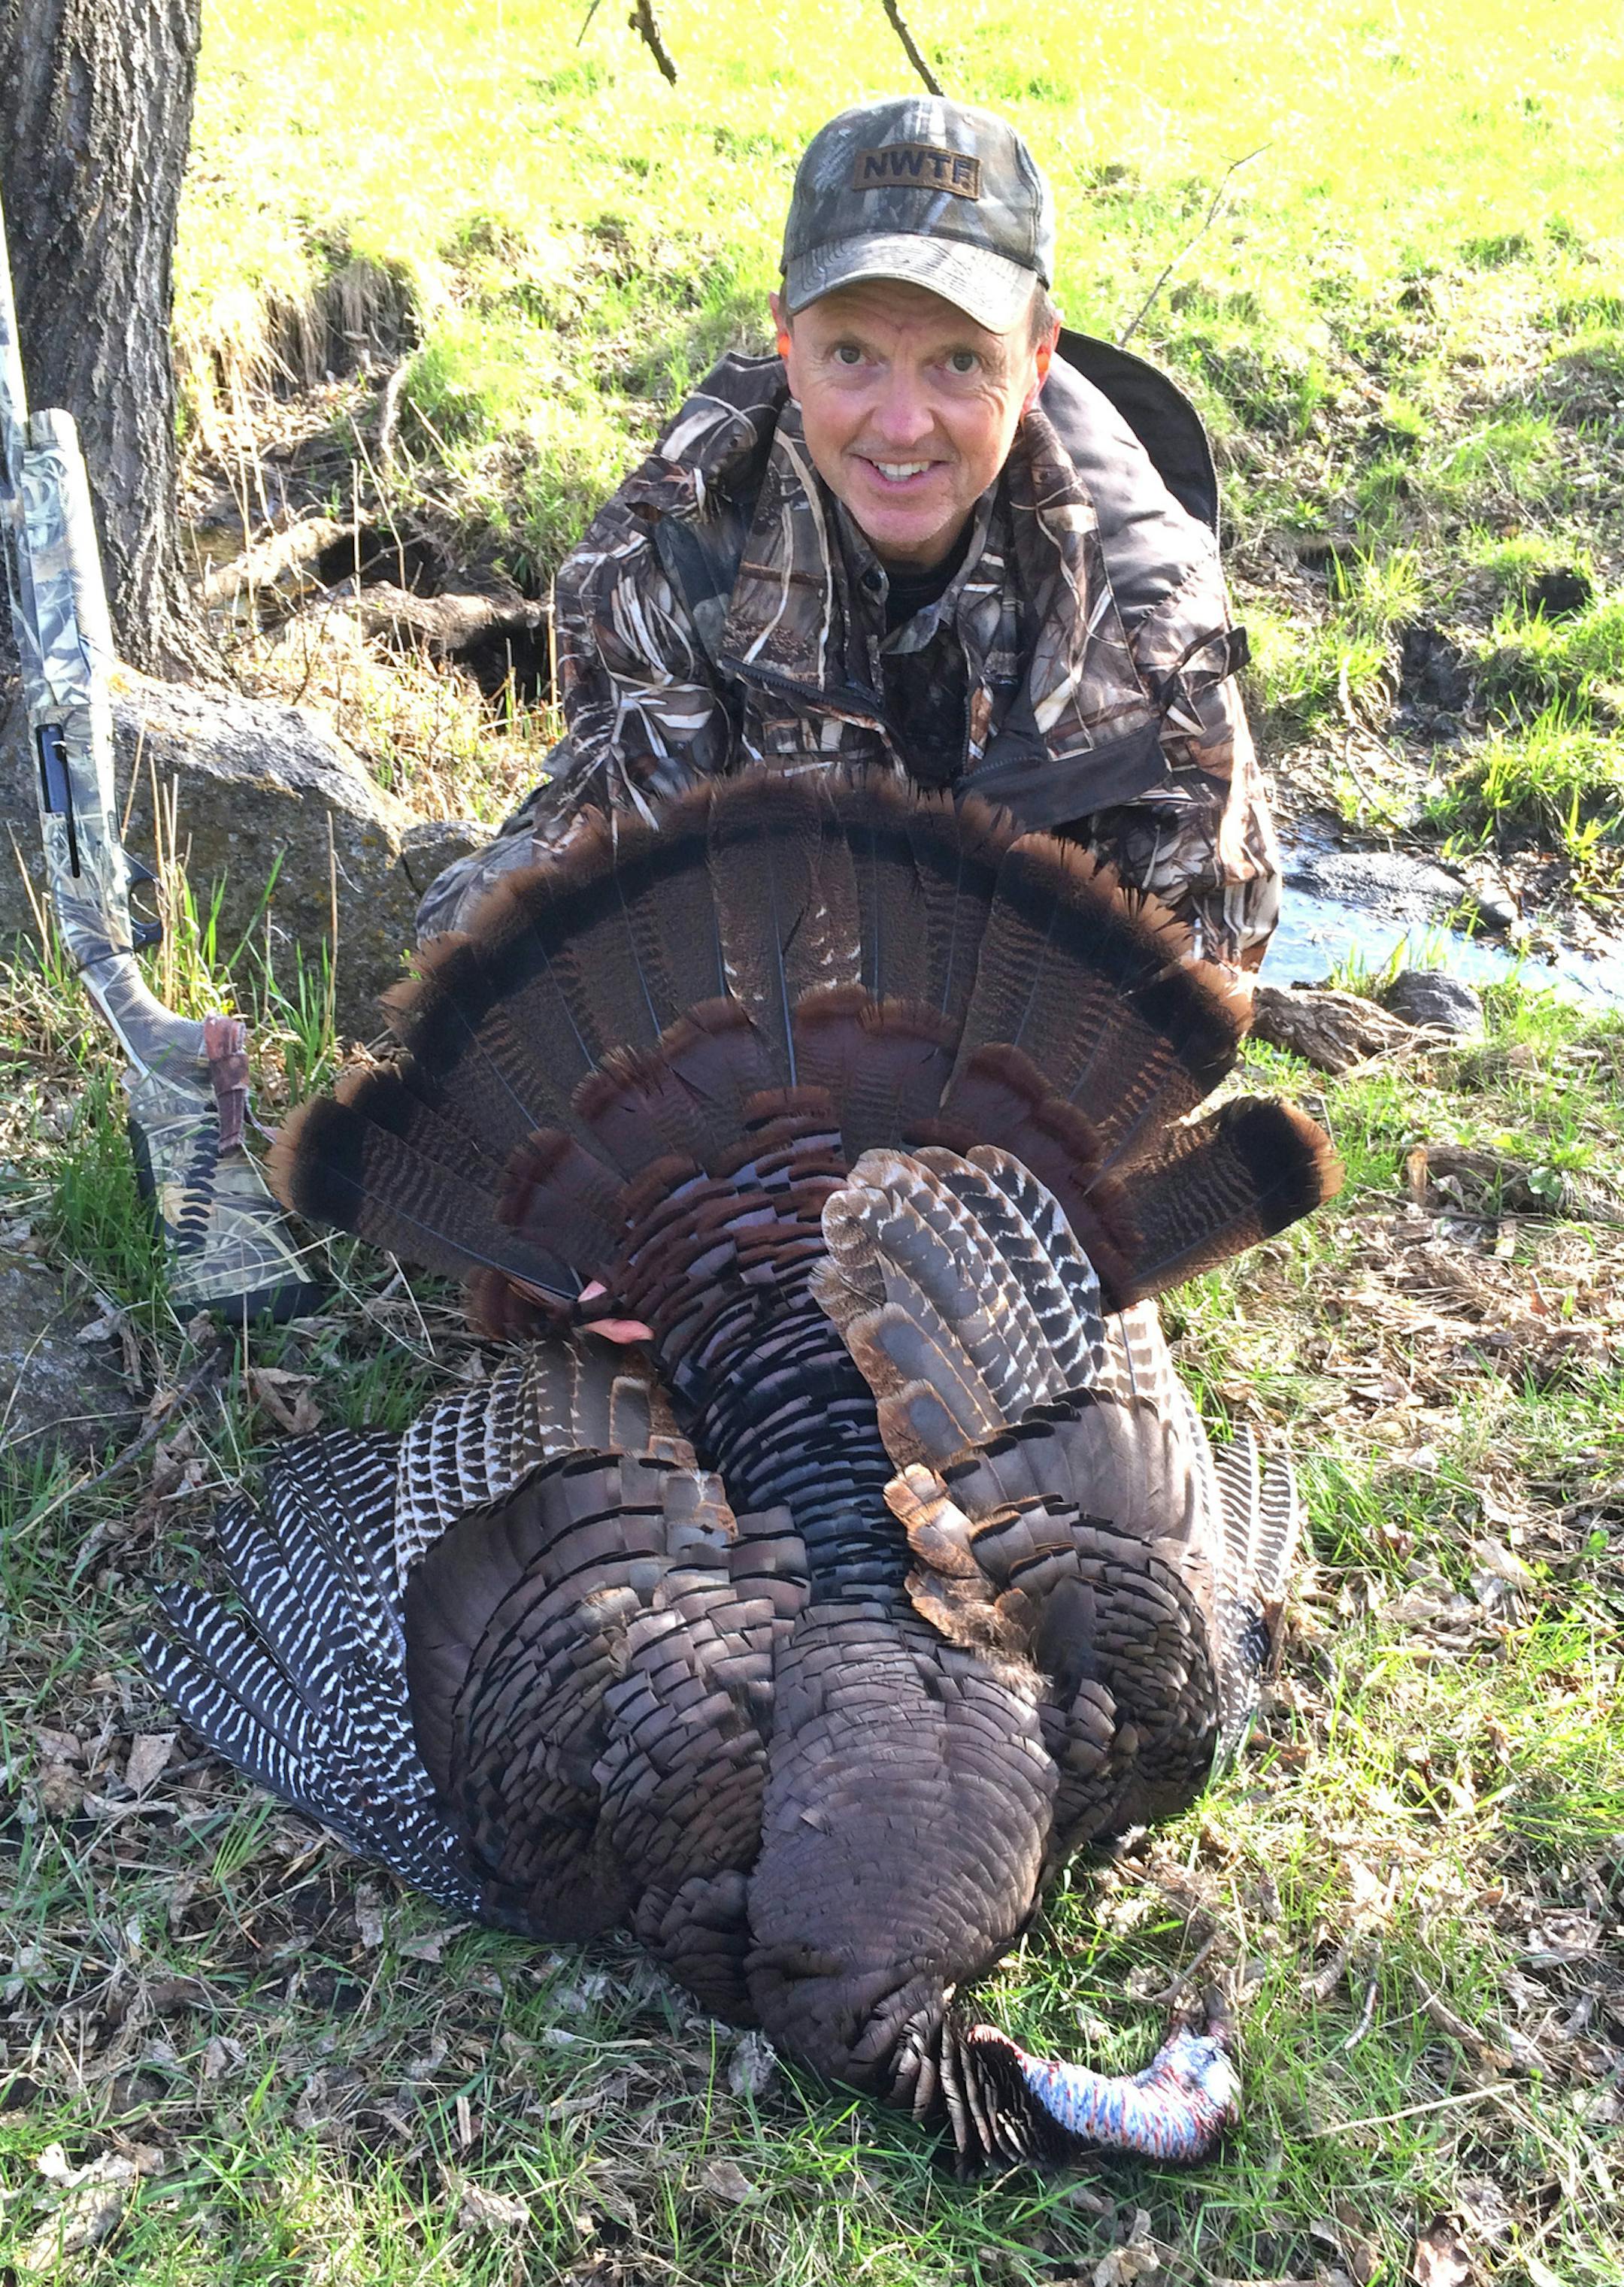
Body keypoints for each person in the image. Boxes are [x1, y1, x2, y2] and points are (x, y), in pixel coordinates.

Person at [418, 95, 1280, 974]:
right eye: (851, 354)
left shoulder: (1147, 610)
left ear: (1037, 361)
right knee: (479, 946)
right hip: (762, 1001)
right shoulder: (673, 547)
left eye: (959, 361)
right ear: (787, 341)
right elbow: (617, 863)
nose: (902, 426)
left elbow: (1206, 939)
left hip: (1009, 1042)